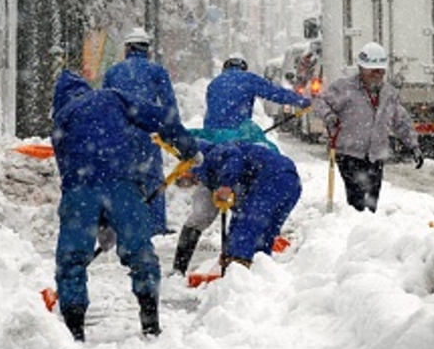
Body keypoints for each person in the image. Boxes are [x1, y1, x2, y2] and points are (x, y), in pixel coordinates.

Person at [50, 69, 191, 341]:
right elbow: (160, 118)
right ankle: (150, 321)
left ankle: (74, 328)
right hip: (122, 184)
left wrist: (96, 220)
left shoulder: (61, 118)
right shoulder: (112, 98)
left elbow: (66, 172)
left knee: (71, 259)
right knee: (141, 253)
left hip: (80, 192)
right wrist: (188, 146)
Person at [170, 54, 310, 275]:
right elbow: (275, 93)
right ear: (242, 68)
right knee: (248, 213)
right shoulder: (247, 81)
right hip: (236, 158)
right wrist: (302, 101)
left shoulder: (215, 84)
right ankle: (241, 264)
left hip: (212, 155)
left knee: (201, 215)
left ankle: (179, 267)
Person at [101, 26, 196, 235]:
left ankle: (118, 224)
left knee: (119, 177)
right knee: (152, 178)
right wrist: (175, 135)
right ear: (147, 49)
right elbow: (169, 106)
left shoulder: (112, 72)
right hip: (148, 133)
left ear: (127, 48)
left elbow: (104, 104)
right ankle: (155, 226)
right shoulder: (157, 71)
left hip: (120, 133)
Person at [312, 41, 422, 213]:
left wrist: (413, 146)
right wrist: (328, 116)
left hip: (375, 155)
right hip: (349, 154)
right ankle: (353, 229)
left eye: (380, 70)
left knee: (372, 202)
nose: (376, 75)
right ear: (361, 68)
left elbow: (401, 121)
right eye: (372, 70)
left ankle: (368, 235)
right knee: (356, 200)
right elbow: (319, 101)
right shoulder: (344, 88)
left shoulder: (389, 94)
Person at [190, 140, 302, 270]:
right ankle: (259, 269)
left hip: (272, 177)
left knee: (248, 225)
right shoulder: (239, 172)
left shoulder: (215, 153)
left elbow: (234, 158)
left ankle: (239, 268)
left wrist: (226, 184)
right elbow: (239, 214)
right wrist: (228, 251)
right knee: (265, 231)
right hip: (292, 183)